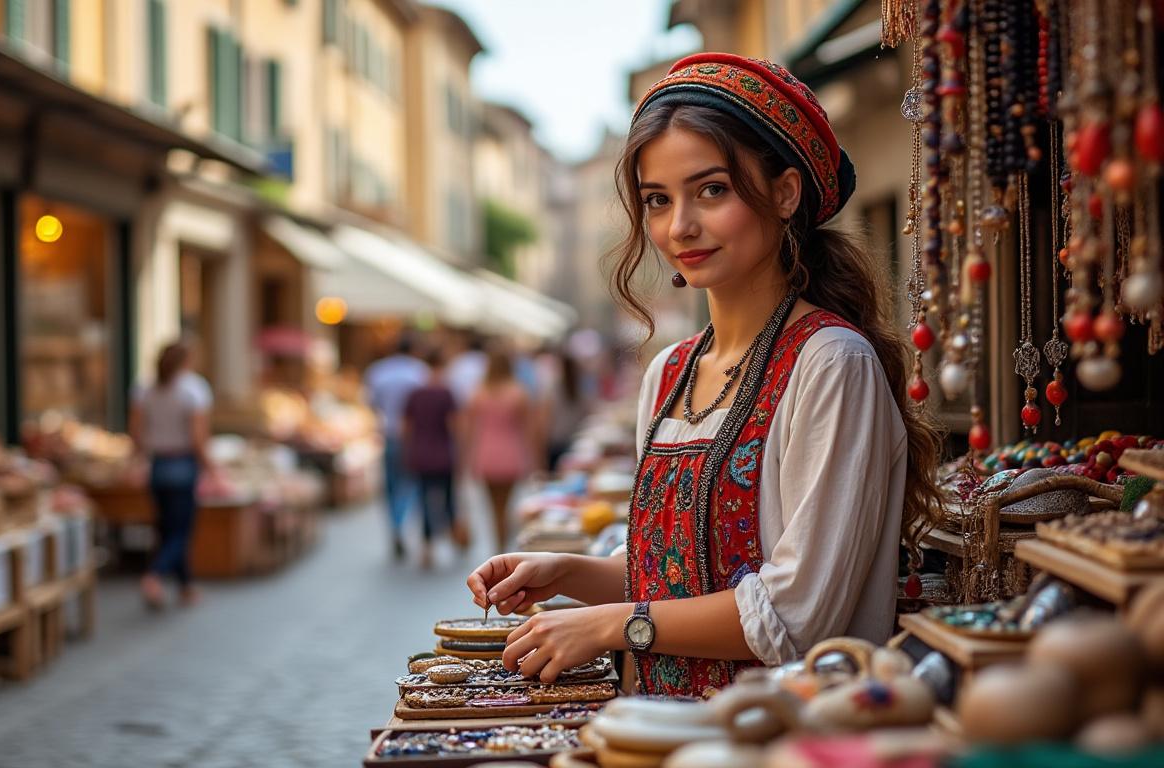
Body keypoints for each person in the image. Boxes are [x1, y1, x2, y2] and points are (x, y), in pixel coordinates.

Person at [466, 54, 943, 697]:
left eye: (711, 190)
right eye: (657, 201)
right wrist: (569, 572)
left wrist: (615, 625)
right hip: (661, 738)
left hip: (788, 738)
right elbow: (678, 578)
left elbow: (795, 616)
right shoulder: (670, 372)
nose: (679, 226)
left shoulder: (831, 364)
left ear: (784, 192)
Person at [129, 341, 212, 609]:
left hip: (158, 465)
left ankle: (185, 587)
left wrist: (140, 457)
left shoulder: (144, 389)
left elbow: (136, 433)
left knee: (167, 528)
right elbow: (198, 438)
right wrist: (210, 465)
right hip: (183, 464)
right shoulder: (193, 389)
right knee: (180, 531)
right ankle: (155, 576)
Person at [364, 335, 429, 559]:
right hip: (414, 437)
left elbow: (372, 404)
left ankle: (395, 526)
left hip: (389, 434)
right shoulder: (420, 372)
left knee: (391, 486)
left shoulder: (378, 371)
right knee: (411, 484)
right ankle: (403, 523)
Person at [465, 348, 534, 552]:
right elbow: (527, 429)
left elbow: (470, 430)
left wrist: (468, 458)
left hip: (486, 455)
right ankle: (503, 544)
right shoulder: (518, 392)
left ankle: (498, 547)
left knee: (494, 508)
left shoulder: (478, 393)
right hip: (511, 454)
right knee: (506, 506)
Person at [401, 349, 465, 569]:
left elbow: (406, 428)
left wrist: (408, 450)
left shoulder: (415, 394)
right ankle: (453, 535)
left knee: (424, 499)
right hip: (443, 454)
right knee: (448, 498)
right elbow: (454, 426)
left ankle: (427, 545)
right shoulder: (446, 393)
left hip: (421, 454)